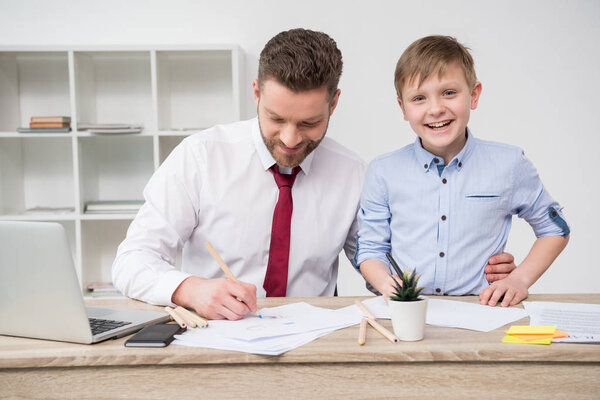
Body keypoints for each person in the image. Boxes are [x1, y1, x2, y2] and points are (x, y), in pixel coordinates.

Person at [113, 29, 517, 321]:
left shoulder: (354, 174)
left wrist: (469, 260)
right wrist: (192, 289)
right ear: (256, 93)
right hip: (212, 339)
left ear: (334, 103)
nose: (290, 139)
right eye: (275, 118)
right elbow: (131, 261)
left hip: (311, 344)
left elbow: (385, 266)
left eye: (309, 122)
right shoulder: (200, 158)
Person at [354, 35, 569, 307]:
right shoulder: (383, 172)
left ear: (474, 94)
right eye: (419, 98)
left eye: (449, 93)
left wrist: (520, 279)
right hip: (409, 310)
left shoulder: (509, 163)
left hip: (482, 310)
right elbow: (371, 249)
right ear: (403, 108)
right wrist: (387, 283)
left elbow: (554, 229)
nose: (436, 109)